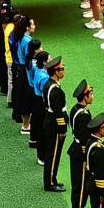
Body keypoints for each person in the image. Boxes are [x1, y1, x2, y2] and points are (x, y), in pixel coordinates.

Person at [68, 80, 92, 208]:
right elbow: (84, 139)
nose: (92, 96)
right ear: (85, 96)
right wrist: (87, 158)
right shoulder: (83, 115)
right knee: (81, 186)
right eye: (90, 93)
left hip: (75, 150)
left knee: (78, 185)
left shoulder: (76, 109)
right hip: (80, 154)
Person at [42, 55, 68, 192]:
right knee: (53, 154)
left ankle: (52, 178)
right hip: (54, 126)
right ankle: (50, 183)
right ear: (56, 72)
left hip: (49, 121)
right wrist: (62, 129)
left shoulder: (48, 85)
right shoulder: (55, 91)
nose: (63, 71)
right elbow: (58, 112)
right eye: (61, 69)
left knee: (52, 153)